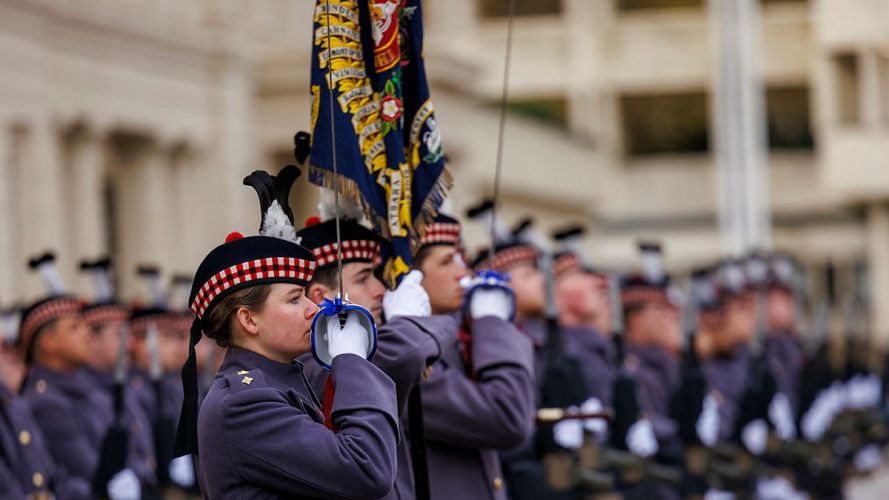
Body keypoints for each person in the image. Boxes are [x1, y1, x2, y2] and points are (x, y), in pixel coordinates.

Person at [174, 166, 400, 499]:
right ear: (249, 320)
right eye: (295, 299)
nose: (313, 308)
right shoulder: (244, 403)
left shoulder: (282, 380)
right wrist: (351, 359)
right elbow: (367, 469)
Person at [296, 202, 456, 500]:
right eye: (363, 278)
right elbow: (407, 350)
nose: (380, 289)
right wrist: (409, 322)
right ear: (321, 297)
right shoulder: (314, 364)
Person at [417, 212, 535, 500]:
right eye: (447, 262)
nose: (464, 273)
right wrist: (491, 323)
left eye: (461, 258)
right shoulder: (410, 362)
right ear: (409, 277)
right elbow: (508, 417)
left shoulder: (454, 342)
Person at [18, 252, 111, 495]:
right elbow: (90, 471)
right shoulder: (45, 402)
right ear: (49, 342)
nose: (87, 333)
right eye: (74, 327)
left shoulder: (87, 388)